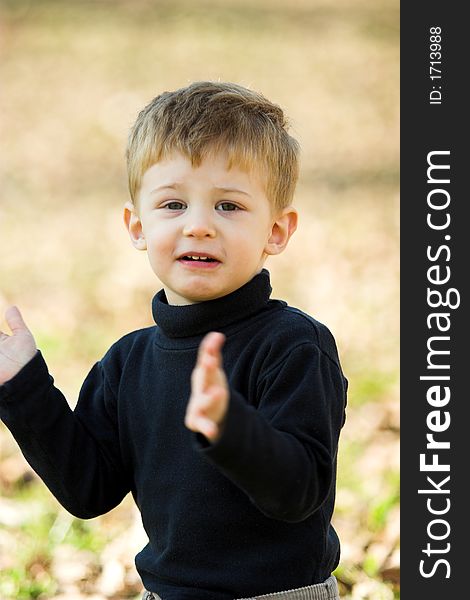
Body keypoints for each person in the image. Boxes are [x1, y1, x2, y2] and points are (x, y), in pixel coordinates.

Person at [0, 81, 347, 600]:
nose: (199, 226)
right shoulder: (129, 360)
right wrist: (22, 385)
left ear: (276, 231)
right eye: (173, 205)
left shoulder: (294, 346)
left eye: (228, 206)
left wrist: (233, 430)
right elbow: (88, 489)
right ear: (137, 226)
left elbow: (298, 493)